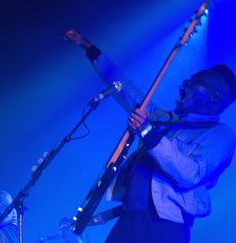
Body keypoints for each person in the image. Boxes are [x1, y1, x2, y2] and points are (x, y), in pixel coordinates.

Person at [64, 28, 236, 242]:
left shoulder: (221, 135)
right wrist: (87, 47)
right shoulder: (164, 120)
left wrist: (147, 132)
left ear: (214, 97)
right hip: (128, 220)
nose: (184, 84)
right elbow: (124, 87)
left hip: (163, 228)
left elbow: (190, 174)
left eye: (194, 81)